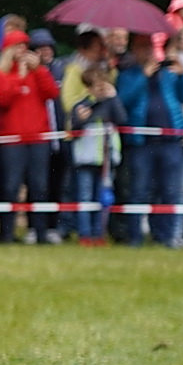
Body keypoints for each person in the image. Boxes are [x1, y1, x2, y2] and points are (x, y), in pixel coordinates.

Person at [117, 34, 183, 248]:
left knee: (170, 190)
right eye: (142, 48)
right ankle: (135, 237)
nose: (148, 52)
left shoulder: (169, 73)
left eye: (150, 48)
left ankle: (167, 236)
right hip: (142, 142)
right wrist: (143, 76)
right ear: (134, 51)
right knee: (140, 190)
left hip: (171, 139)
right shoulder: (127, 74)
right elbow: (123, 101)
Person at [0, 29, 60, 244]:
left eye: (25, 46)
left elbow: (52, 93)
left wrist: (38, 70)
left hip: (38, 138)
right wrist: (19, 78)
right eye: (18, 47)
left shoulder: (37, 72)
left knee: (39, 187)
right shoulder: (2, 74)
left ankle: (39, 233)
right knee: (11, 186)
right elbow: (2, 100)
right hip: (12, 140)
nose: (23, 51)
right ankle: (8, 234)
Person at [67, 65, 125, 246]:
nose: (101, 90)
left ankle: (99, 234)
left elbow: (122, 119)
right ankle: (85, 235)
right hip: (86, 159)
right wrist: (80, 120)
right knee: (85, 197)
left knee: (104, 198)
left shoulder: (111, 103)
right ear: (89, 88)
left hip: (107, 159)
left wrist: (113, 97)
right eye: (97, 87)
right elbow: (73, 129)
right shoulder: (81, 105)